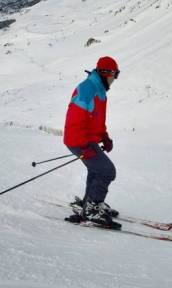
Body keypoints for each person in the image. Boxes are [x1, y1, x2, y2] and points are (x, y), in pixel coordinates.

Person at [63, 56, 121, 227]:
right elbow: (74, 120)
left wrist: (104, 136)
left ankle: (90, 203)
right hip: (78, 140)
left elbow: (96, 119)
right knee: (107, 171)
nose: (115, 79)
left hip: (86, 139)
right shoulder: (89, 88)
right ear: (106, 73)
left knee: (96, 170)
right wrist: (82, 146)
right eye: (115, 75)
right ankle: (92, 209)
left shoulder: (99, 89)